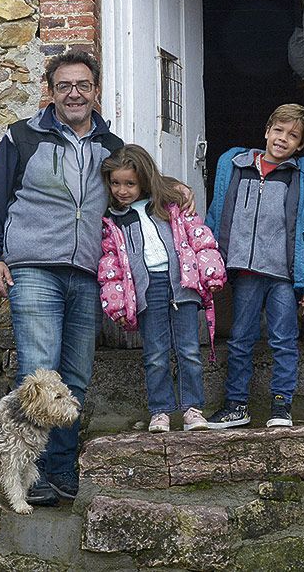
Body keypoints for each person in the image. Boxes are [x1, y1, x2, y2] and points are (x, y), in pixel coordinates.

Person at [0, 49, 124, 506]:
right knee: (38, 374)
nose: (74, 93)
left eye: (82, 85)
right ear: (51, 91)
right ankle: (27, 476)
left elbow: (131, 190)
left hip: (86, 271)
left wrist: (173, 189)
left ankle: (60, 471)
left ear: (95, 91)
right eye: (64, 86)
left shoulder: (112, 147)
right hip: (34, 267)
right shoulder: (23, 137)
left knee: (74, 379)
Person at [203, 104, 304, 429]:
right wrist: (212, 262)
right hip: (245, 273)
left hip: (282, 275)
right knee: (240, 338)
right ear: (267, 131)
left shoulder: (299, 175)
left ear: (300, 145)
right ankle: (236, 405)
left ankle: (281, 406)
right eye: (279, 130)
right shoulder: (236, 165)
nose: (283, 138)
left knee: (284, 338)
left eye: (293, 135)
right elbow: (218, 211)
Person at [97, 145, 227, 433]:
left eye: (130, 183)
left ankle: (193, 409)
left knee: (189, 350)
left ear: (144, 179)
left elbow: (199, 237)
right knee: (155, 353)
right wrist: (116, 302)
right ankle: (161, 411)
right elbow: (110, 264)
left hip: (182, 284)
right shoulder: (113, 219)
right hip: (146, 289)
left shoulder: (170, 205)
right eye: (116, 183)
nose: (122, 190)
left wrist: (211, 272)